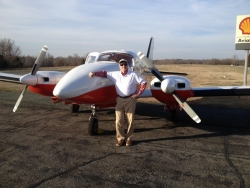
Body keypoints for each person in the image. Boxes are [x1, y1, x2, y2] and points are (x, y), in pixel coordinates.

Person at [89, 59, 147, 146]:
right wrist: (94, 73)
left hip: (130, 99)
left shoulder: (133, 74)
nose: (123, 66)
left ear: (127, 65)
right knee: (118, 120)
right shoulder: (115, 74)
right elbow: (104, 73)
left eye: (125, 64)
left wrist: (138, 94)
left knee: (130, 120)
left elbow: (144, 83)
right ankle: (120, 138)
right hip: (119, 99)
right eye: (121, 65)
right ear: (119, 66)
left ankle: (129, 138)